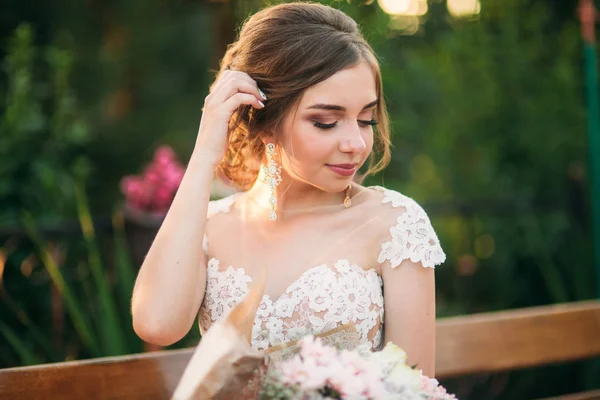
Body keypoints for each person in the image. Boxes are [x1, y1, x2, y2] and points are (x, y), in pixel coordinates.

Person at [131, 2, 446, 377]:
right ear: (264, 120)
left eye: (365, 119)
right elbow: (157, 324)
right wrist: (203, 158)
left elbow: (413, 388)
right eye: (326, 122)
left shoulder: (395, 225)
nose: (356, 144)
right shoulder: (211, 226)